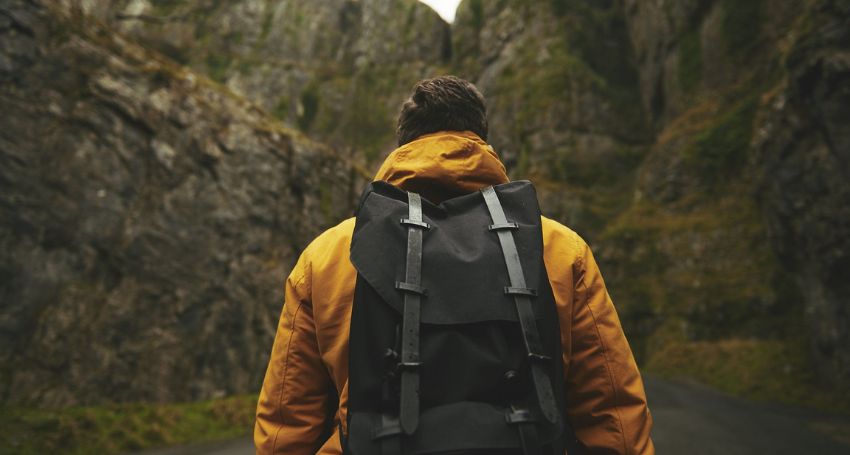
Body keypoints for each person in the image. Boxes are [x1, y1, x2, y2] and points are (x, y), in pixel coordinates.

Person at [254, 75, 654, 454]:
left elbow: (286, 430)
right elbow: (614, 418)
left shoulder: (329, 256)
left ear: (403, 144)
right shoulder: (559, 248)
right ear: (480, 139)